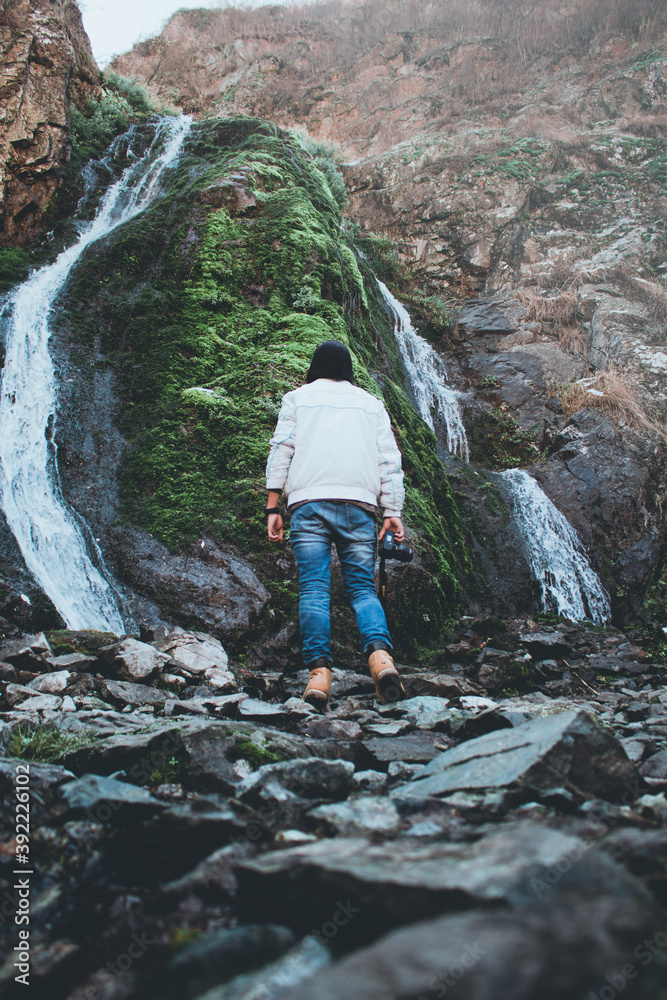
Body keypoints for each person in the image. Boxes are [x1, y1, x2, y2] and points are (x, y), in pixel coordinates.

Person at [264, 339, 406, 711]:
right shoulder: (371, 404)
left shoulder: (298, 398)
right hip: (359, 505)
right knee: (362, 589)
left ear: (314, 367)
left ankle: (318, 679)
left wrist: (272, 505)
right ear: (348, 370)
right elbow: (388, 460)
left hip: (308, 502)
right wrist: (393, 511)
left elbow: (282, 448)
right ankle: (382, 662)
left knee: (314, 589)